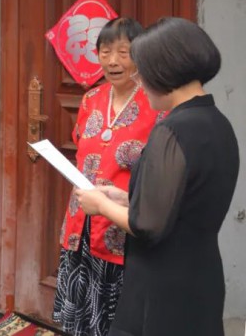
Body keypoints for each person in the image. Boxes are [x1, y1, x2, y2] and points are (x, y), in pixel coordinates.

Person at [76, 17, 239, 336]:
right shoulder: (217, 123)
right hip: (201, 274)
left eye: (142, 71)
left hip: (161, 283)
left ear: (163, 72)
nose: (139, 80)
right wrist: (126, 198)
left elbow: (148, 226)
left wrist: (101, 205)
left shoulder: (171, 130)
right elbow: (185, 202)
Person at [53, 17, 162, 336]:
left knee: (116, 321)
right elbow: (83, 149)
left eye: (124, 52)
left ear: (141, 54)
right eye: (105, 52)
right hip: (80, 223)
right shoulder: (90, 99)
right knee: (79, 317)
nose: (113, 61)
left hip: (121, 229)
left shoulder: (156, 103)